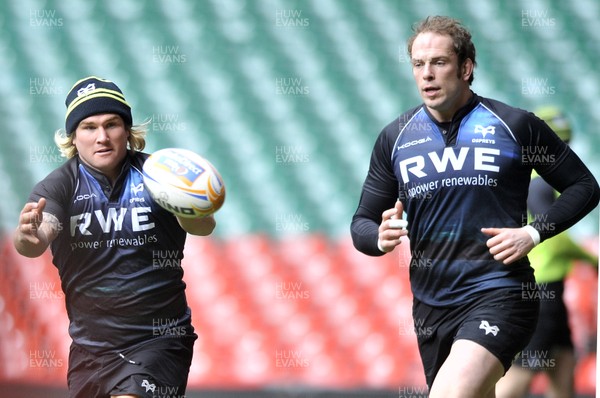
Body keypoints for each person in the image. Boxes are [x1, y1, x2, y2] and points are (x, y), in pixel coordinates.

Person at [350, 16, 599, 398]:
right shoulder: (395, 138)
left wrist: (532, 233)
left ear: (465, 68)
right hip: (431, 306)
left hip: (501, 292)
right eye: (418, 64)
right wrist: (378, 237)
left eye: (439, 62)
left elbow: (584, 186)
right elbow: (362, 224)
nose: (427, 75)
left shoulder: (515, 125)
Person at [13, 76, 217, 398]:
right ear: (73, 137)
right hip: (90, 350)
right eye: (89, 127)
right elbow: (35, 241)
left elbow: (202, 227)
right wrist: (27, 234)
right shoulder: (58, 186)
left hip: (158, 340)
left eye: (112, 124)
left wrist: (195, 207)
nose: (102, 137)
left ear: (128, 131)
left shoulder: (159, 176)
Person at [495, 106, 599, 398]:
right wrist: (591, 259)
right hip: (540, 290)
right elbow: (553, 240)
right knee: (524, 369)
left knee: (563, 362)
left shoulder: (527, 182)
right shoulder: (541, 184)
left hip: (545, 290)